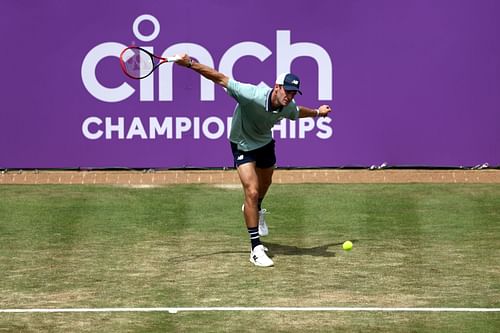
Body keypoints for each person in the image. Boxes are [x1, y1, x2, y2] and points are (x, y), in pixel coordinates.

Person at [176, 54, 332, 267]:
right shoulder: (251, 94)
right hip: (242, 144)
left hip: (265, 143)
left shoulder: (288, 105)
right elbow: (220, 78)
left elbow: (297, 112)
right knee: (252, 190)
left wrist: (317, 113)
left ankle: (255, 208)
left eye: (294, 92)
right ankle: (255, 248)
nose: (290, 96)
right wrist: (190, 64)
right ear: (277, 87)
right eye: (287, 91)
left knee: (265, 184)